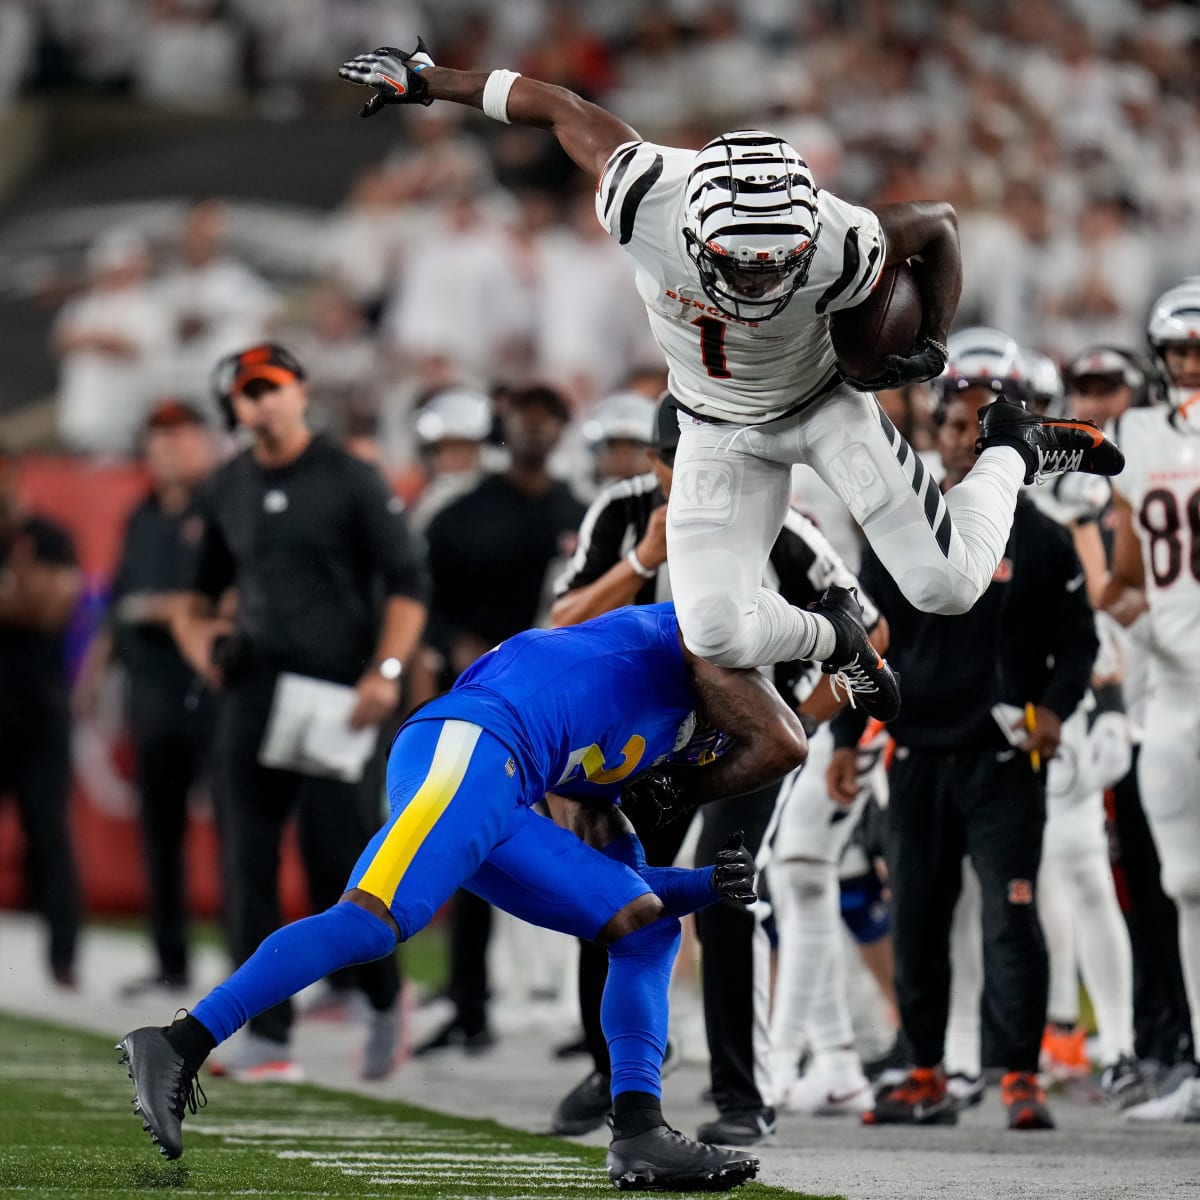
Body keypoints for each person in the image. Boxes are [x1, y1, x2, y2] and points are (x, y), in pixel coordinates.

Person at [337, 39, 1123, 721]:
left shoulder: (838, 233)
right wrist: (432, 81)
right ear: (695, 228)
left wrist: (936, 342)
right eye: (738, 266)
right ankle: (839, 636)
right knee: (710, 630)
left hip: (823, 405)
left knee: (947, 586)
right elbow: (559, 107)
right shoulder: (646, 194)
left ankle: (1014, 447)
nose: (756, 283)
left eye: (774, 264)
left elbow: (940, 225)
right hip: (713, 424)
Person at [119, 602, 812, 1192]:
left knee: (644, 933)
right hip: (471, 745)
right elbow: (749, 662)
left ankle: (639, 1132)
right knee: (370, 923)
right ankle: (180, 1041)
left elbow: (633, 897)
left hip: (499, 784)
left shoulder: (633, 744)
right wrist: (839, 639)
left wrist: (705, 884)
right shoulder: (676, 637)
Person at [832, 331, 1098, 1131]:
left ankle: (1018, 1072)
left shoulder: (1043, 538)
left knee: (1011, 914)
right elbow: (863, 637)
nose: (966, 440)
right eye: (956, 425)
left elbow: (1078, 640)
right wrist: (847, 745)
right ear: (934, 432)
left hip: (1004, 756)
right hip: (916, 753)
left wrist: (1054, 706)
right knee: (916, 918)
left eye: (986, 428)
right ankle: (924, 1070)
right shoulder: (898, 528)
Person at [171, 342, 429, 1081]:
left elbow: (409, 579)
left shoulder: (348, 477)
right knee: (246, 864)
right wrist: (202, 647)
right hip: (255, 694)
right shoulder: (228, 485)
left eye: (271, 388)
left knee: (342, 868)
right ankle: (268, 1036)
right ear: (234, 409)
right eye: (247, 394)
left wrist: (386, 671)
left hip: (339, 695)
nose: (260, 403)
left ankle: (382, 995)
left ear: (299, 391)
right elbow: (196, 598)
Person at [415, 383, 586, 1055]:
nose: (536, 431)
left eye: (549, 420)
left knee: (577, 843)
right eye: (524, 418)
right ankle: (469, 1001)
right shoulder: (460, 514)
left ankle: (572, 1003)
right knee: (468, 845)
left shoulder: (581, 509)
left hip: (564, 705)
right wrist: (448, 644)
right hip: (480, 697)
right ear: (501, 425)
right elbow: (415, 596)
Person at [74, 400, 220, 996]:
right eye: (156, 437)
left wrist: (165, 608)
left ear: (202, 443)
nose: (165, 449)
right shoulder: (142, 515)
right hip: (153, 692)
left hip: (211, 689)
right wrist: (92, 670)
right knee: (160, 833)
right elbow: (119, 601)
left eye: (178, 436)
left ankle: (249, 966)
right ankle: (171, 961)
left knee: (239, 830)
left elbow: (231, 595)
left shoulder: (222, 510)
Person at [1102, 278, 1200, 1121]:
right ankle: (1198, 1067)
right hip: (1170, 689)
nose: (1192, 366)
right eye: (1180, 353)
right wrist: (1133, 619)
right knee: (1185, 880)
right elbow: (1127, 576)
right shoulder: (1135, 433)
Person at [0, 446, 83, 987]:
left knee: (50, 837)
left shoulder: (50, 537)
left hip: (37, 714)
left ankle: (63, 961)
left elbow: (51, 610)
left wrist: (22, 593)